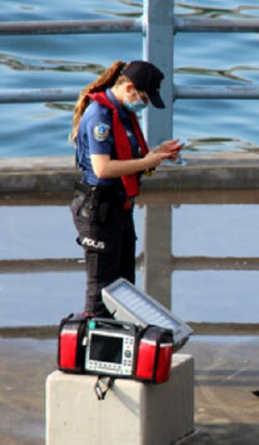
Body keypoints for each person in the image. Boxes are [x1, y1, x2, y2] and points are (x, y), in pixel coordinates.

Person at [68, 60, 184, 317]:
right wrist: (146, 162)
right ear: (129, 88)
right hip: (98, 210)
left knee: (123, 289)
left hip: (119, 209)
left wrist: (156, 153)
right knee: (101, 294)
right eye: (143, 97)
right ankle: (89, 350)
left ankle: (117, 348)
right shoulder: (100, 116)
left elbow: (127, 157)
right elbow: (102, 169)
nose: (143, 104)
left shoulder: (123, 114)